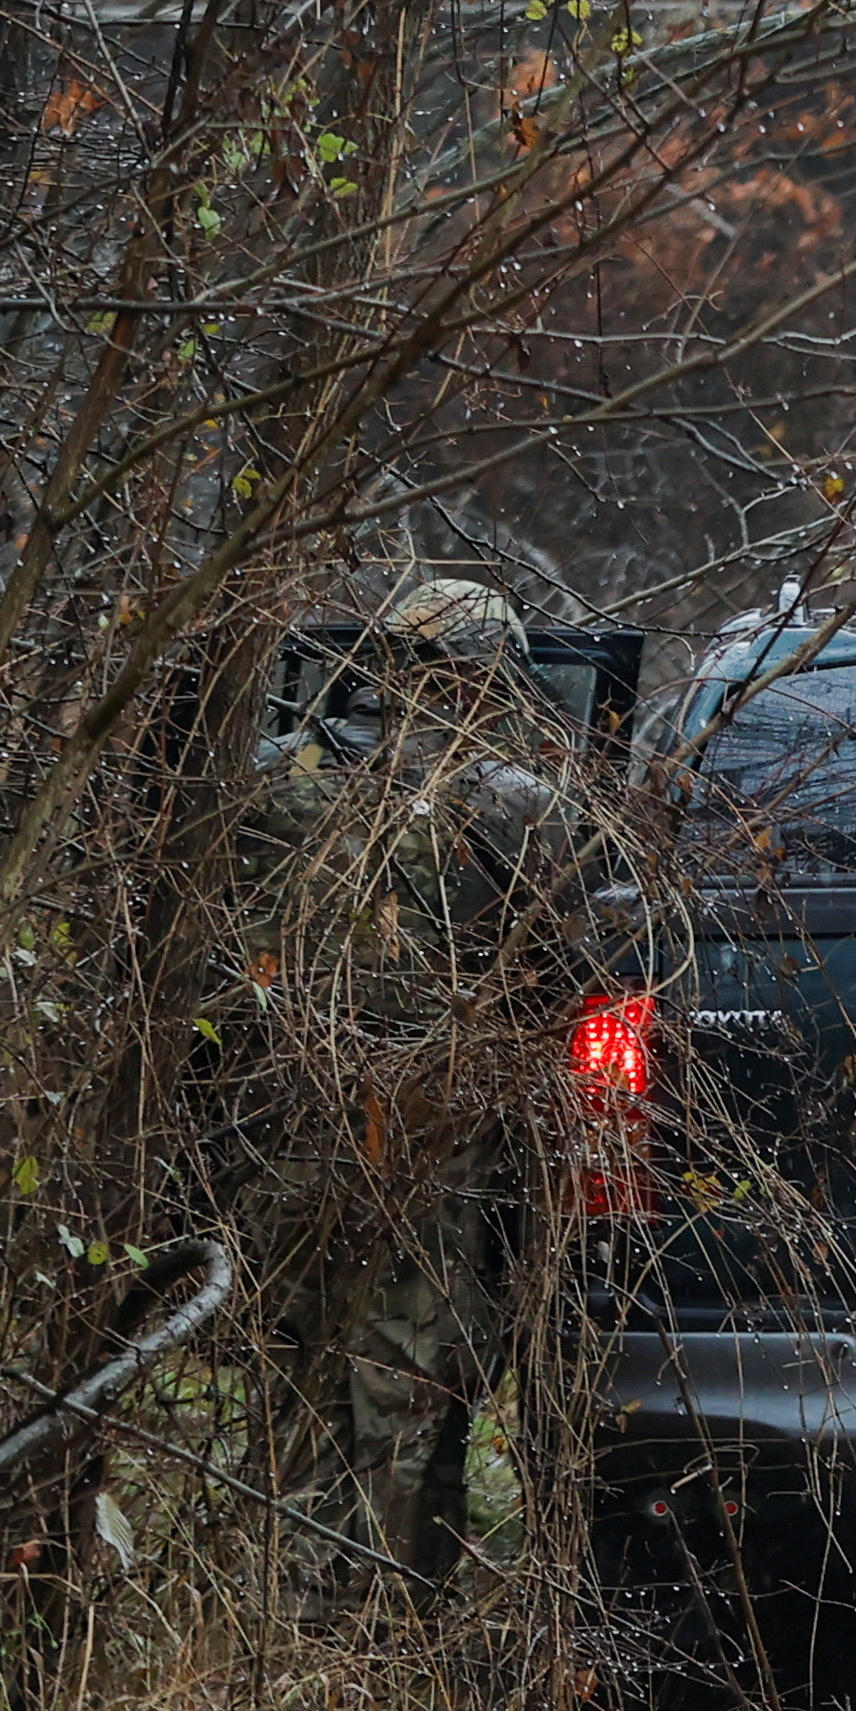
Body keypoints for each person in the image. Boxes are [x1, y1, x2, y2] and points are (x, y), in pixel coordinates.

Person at [240, 576, 586, 1583]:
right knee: (408, 1372)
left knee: (299, 1357)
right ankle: (393, 1627)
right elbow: (579, 971)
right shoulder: (522, 807)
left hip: (298, 1119)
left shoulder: (284, 784)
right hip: (435, 1129)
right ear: (489, 676)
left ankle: (295, 1609)